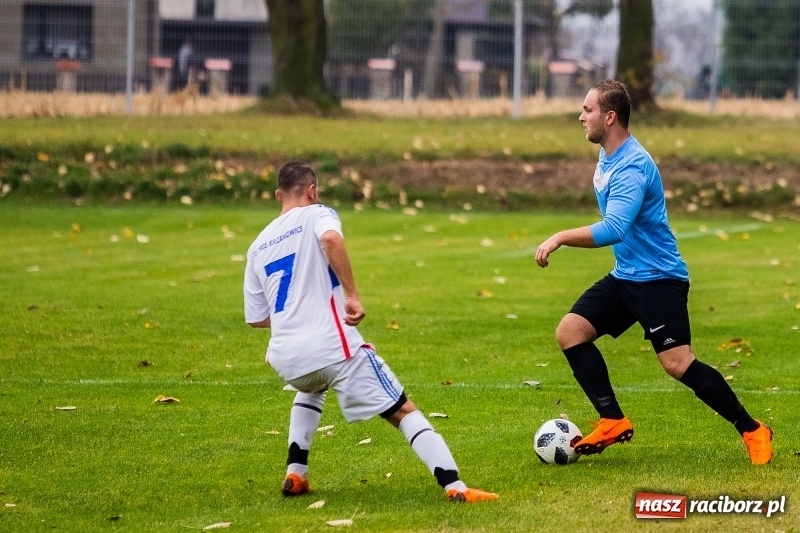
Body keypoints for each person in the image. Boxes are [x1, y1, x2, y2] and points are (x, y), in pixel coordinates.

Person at [534, 80, 773, 465]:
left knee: (677, 364)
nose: (581, 116)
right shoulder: (608, 155)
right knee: (571, 332)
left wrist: (560, 236)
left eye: (588, 110)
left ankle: (753, 429)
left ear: (609, 117)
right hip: (627, 274)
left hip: (660, 278)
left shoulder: (632, 165)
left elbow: (615, 228)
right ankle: (612, 419)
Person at [243, 161, 498, 502]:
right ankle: (456, 488)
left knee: (311, 386)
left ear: (277, 195)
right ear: (312, 191)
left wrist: (295, 323)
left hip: (286, 357)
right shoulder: (318, 213)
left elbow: (257, 318)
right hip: (332, 346)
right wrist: (352, 295)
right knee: (403, 410)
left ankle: (295, 473)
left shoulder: (257, 246)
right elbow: (331, 238)